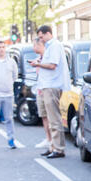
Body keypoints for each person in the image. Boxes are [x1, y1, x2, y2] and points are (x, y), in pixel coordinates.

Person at [31, 25, 70, 159]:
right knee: (50, 117)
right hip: (48, 85)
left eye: (41, 37)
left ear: (48, 33)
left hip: (52, 85)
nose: (41, 40)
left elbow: (52, 65)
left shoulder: (54, 46)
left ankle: (58, 149)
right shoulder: (50, 46)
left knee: (54, 118)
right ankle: (53, 146)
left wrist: (38, 64)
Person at [32, 38, 52, 150]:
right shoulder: (39, 59)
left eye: (34, 45)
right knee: (44, 116)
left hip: (47, 90)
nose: (33, 48)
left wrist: (39, 64)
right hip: (40, 89)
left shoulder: (47, 59)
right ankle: (48, 139)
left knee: (50, 116)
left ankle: (53, 141)